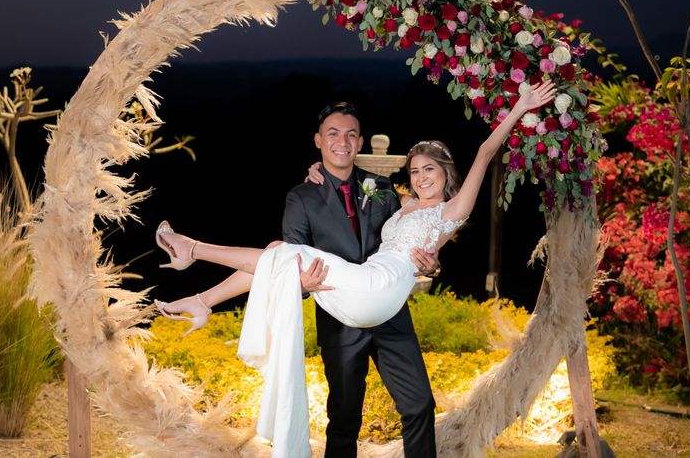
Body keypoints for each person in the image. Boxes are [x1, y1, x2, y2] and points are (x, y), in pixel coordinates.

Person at [153, 81, 557, 457]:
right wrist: (318, 179)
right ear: (319, 142)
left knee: (418, 405)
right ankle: (201, 292)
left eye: (429, 170)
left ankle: (194, 254)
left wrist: (522, 106)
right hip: (346, 303)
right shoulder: (399, 201)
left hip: (378, 295)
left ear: (446, 173)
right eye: (415, 170)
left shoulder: (447, 209)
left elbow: (485, 152)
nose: (420, 177)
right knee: (282, 258)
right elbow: (398, 227)